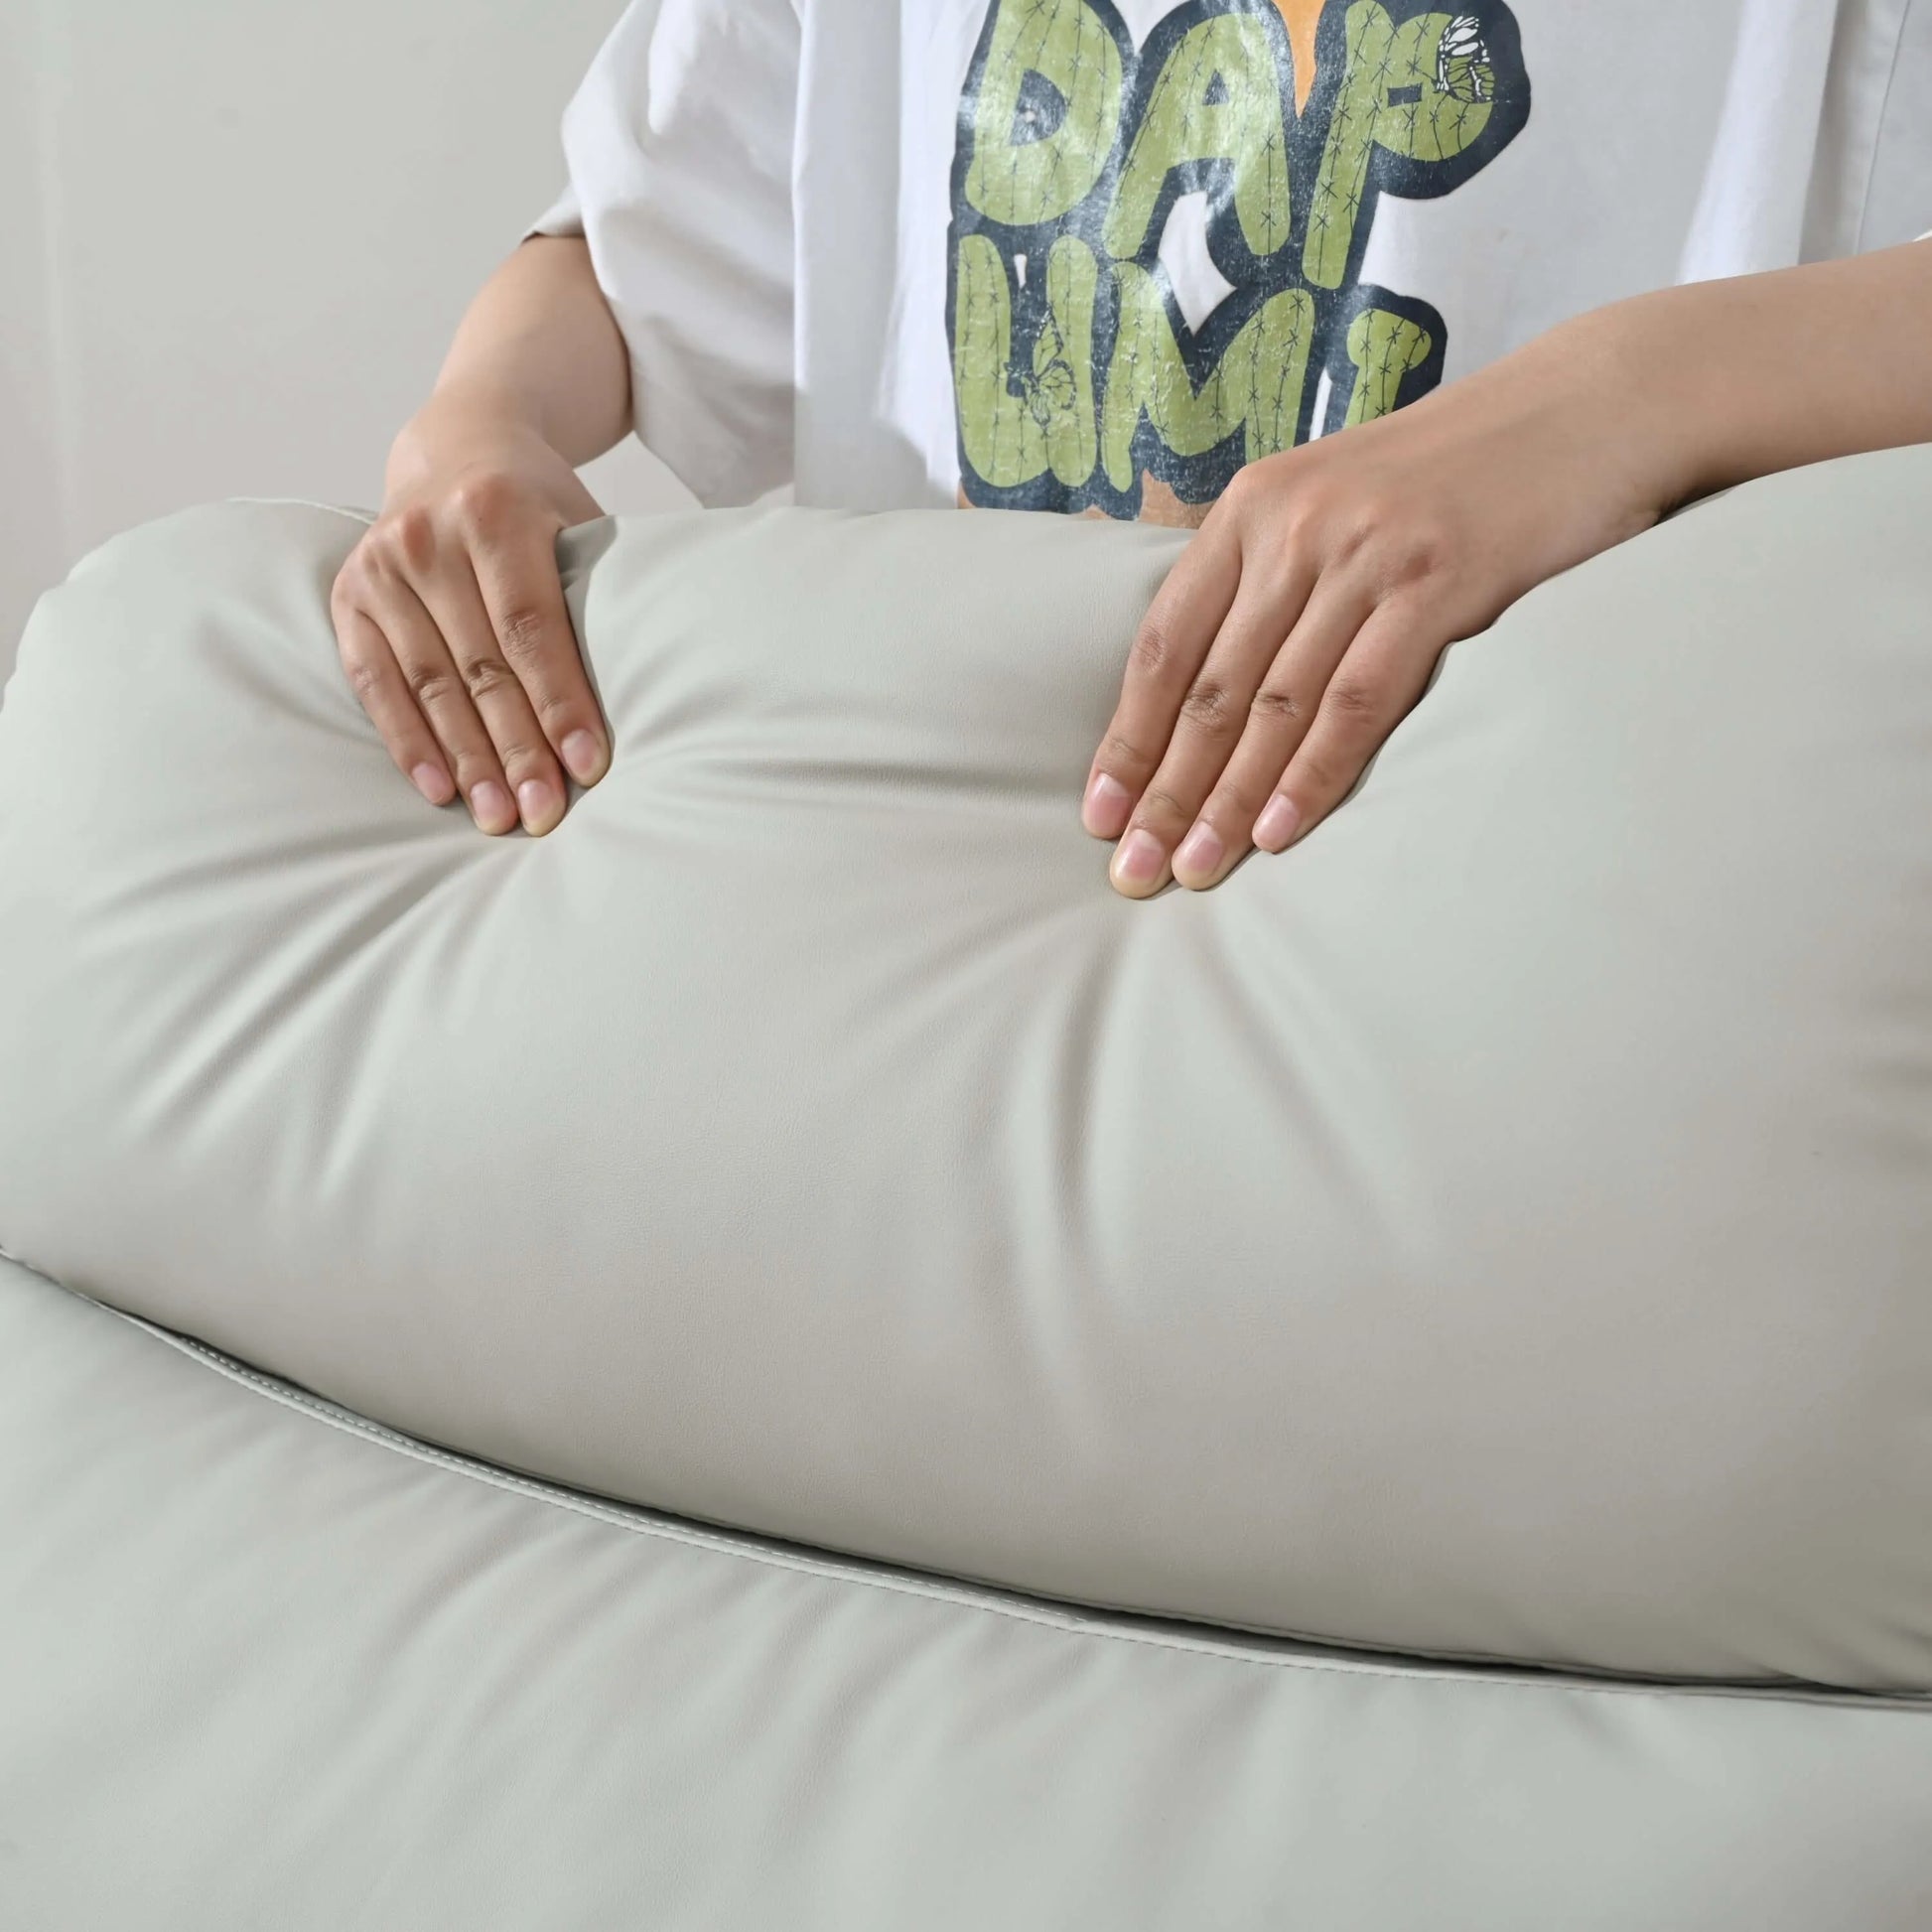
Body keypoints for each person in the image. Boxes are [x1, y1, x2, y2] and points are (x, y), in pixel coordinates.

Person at [331, 0, 1932, 897]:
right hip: (928, 930)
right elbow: (637, 253)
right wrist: (481, 422)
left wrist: (1613, 395)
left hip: (1509, 937)